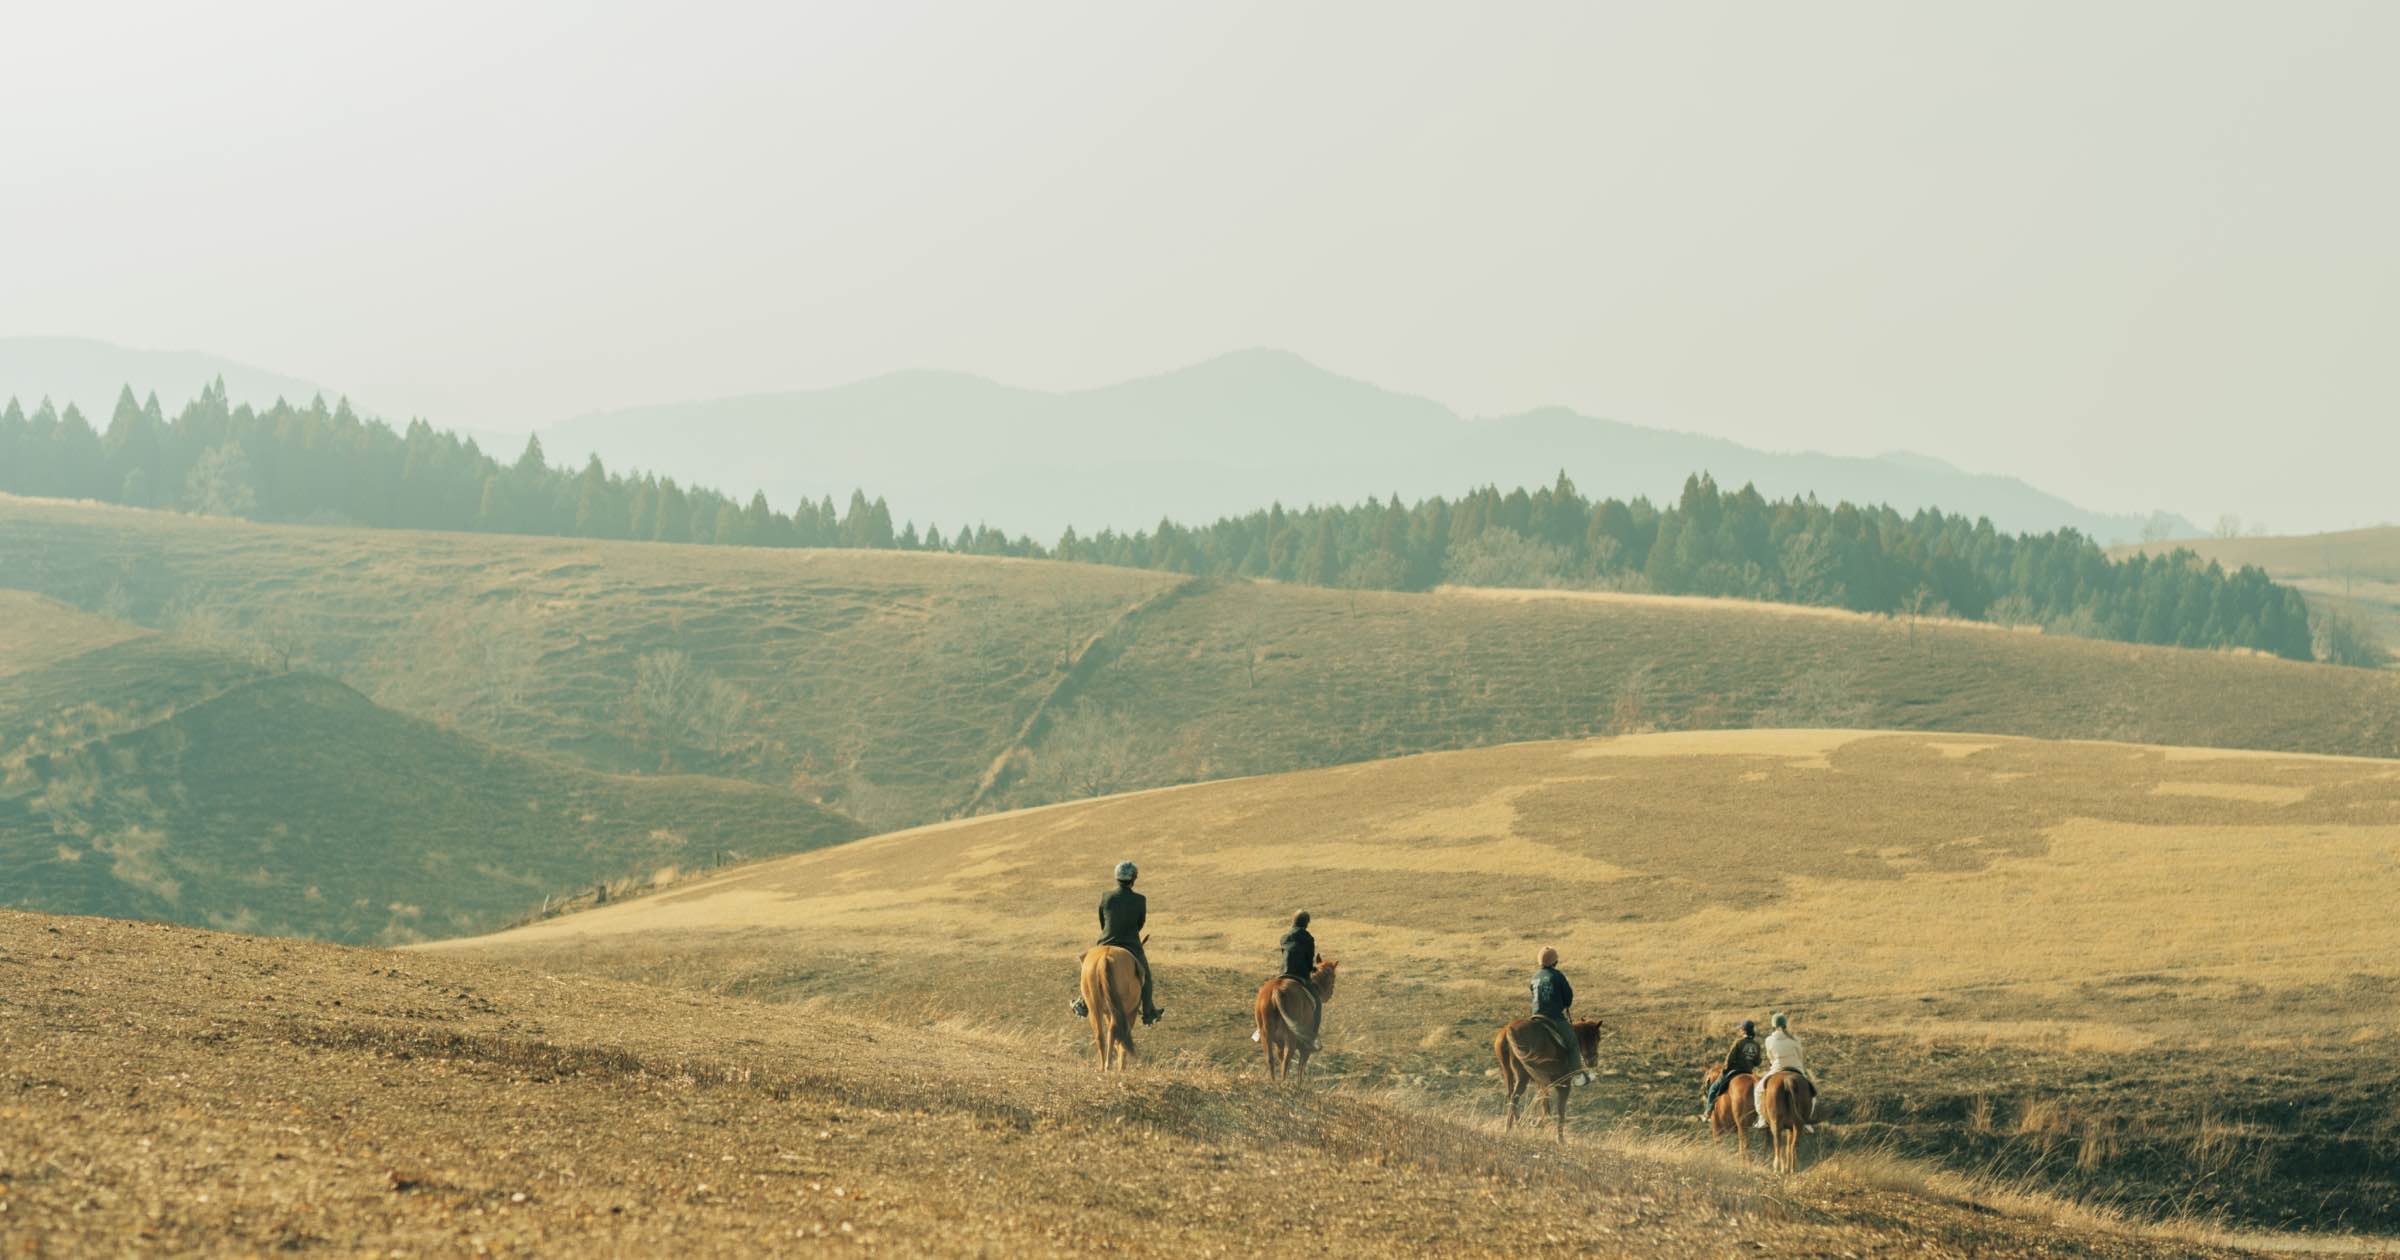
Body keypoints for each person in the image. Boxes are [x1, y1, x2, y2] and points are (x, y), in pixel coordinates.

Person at [1070, 860, 1163, 1025]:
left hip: (1105, 942)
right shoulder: (1140, 899)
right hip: (1131, 945)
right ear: (1134, 878)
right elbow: (1140, 923)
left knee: (1087, 965)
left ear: (1117, 877)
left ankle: (1083, 1002)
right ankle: (1149, 1012)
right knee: (1146, 977)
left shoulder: (1107, 896)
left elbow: (1102, 921)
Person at [1528, 946, 1591, 1081]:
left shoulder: (1534, 977)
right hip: (1553, 1018)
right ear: (1554, 962)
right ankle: (1578, 1076)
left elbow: (1534, 994)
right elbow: (1568, 998)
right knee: (1573, 1042)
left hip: (1535, 1017)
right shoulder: (1557, 975)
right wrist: (1564, 1004)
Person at [1752, 1012, 1814, 1131]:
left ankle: (1761, 1119)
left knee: (1758, 1090)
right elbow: (1800, 1056)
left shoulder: (1769, 1040)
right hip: (1796, 1068)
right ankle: (1806, 1121)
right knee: (1812, 1093)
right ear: (1785, 1024)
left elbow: (1770, 1057)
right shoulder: (1795, 1038)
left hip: (1777, 1068)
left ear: (1773, 1025)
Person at [1701, 1019, 1763, 1118]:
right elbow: (1758, 1062)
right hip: (1748, 1072)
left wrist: (1725, 1070)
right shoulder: (1756, 1045)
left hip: (1735, 1071)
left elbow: (1730, 1059)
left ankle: (1708, 1111)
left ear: (1743, 1030)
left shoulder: (1738, 1042)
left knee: (1713, 1088)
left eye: (1740, 1029)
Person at [1279, 911, 1317, 985]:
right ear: (1306, 923)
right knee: (1313, 991)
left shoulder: (1284, 938)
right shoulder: (1308, 938)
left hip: (1283, 972)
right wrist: (1312, 969)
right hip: (1300, 974)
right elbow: (1309, 959)